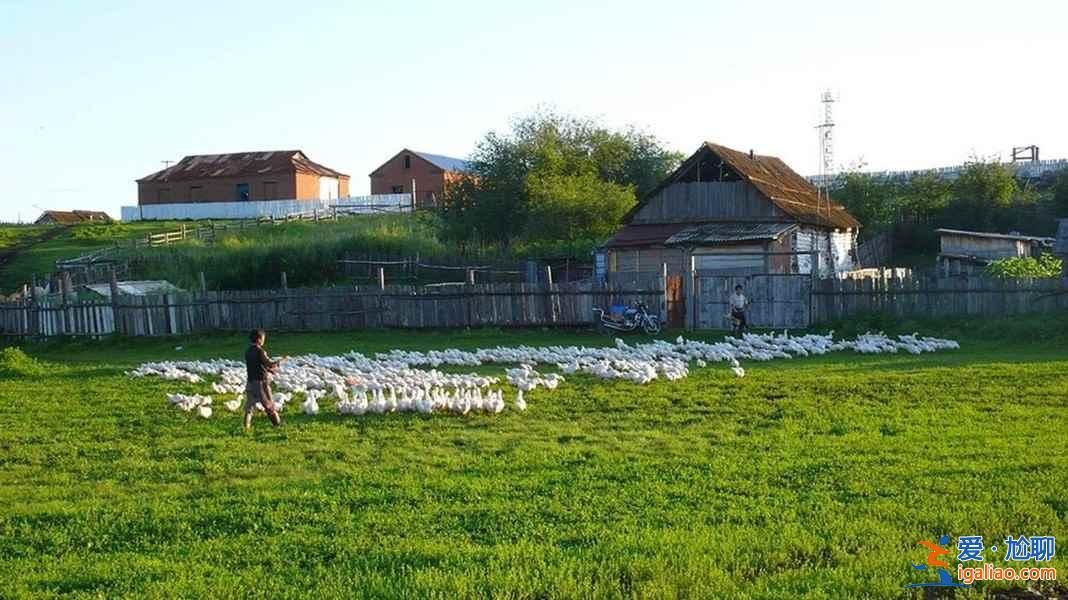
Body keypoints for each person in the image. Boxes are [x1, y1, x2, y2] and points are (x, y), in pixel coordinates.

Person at [244, 329, 288, 431]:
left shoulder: (248, 351)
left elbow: (257, 365)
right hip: (261, 383)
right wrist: (282, 360)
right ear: (259, 339)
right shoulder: (260, 351)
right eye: (263, 339)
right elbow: (270, 364)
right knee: (269, 405)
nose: (264, 341)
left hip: (250, 382)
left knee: (249, 407)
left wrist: (268, 370)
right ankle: (278, 425)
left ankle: (246, 428)